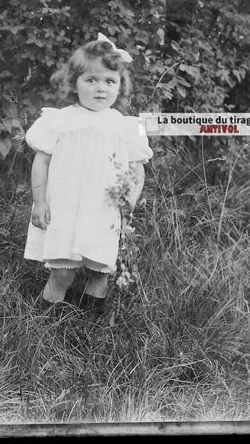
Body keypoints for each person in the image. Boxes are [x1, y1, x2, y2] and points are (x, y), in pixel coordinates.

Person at [24, 32, 153, 314]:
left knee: (100, 270)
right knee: (63, 272)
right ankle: (43, 326)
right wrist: (40, 202)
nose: (100, 88)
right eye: (91, 80)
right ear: (74, 83)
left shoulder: (125, 127)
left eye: (109, 81)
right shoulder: (60, 121)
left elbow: (136, 168)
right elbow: (41, 162)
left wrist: (128, 203)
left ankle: (90, 329)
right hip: (66, 208)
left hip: (103, 211)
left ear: (120, 86)